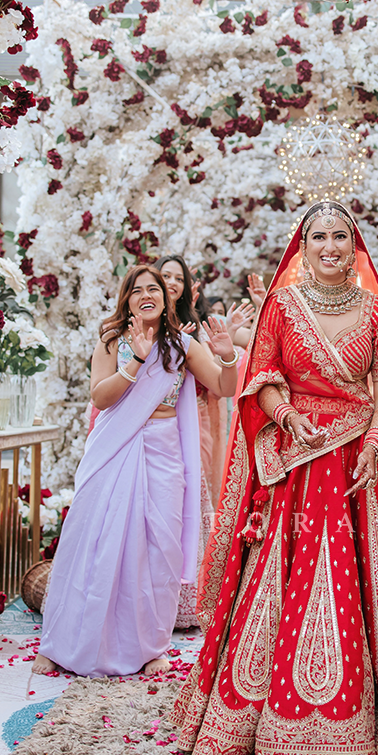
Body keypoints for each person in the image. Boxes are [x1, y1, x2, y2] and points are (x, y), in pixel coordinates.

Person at [170, 200, 378, 755]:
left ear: (355, 248)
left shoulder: (377, 312)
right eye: (319, 236)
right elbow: (262, 379)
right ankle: (257, 720)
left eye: (340, 237)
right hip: (295, 463)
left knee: (362, 580)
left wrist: (376, 442)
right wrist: (284, 414)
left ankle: (374, 722)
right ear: (303, 246)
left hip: (357, 464)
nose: (330, 246)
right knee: (279, 576)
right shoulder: (280, 306)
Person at [33, 264, 239, 677]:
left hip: (164, 454)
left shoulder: (182, 344)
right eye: (137, 290)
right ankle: (62, 643)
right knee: (91, 542)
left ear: (167, 299)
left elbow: (225, 387)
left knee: (157, 550)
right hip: (114, 449)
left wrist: (228, 355)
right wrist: (135, 363)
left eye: (155, 289)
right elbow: (101, 397)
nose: (147, 295)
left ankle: (148, 646)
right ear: (126, 299)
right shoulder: (113, 341)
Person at [154, 255, 252, 627]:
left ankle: (185, 596)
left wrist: (225, 352)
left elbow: (221, 382)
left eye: (178, 278)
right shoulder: (130, 332)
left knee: (187, 497)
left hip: (193, 419)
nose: (171, 283)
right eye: (164, 276)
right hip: (143, 432)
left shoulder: (191, 333)